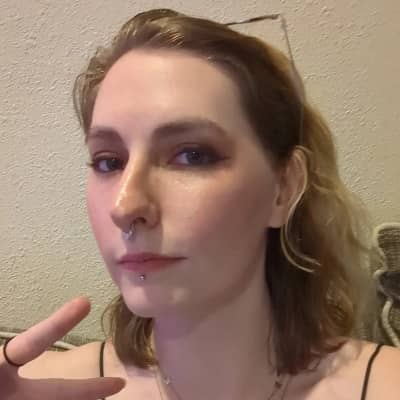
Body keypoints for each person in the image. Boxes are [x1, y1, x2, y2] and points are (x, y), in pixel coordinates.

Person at [1, 8, 399, 400]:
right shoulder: (38, 388)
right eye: (109, 161)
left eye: (191, 155)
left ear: (283, 187)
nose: (124, 206)